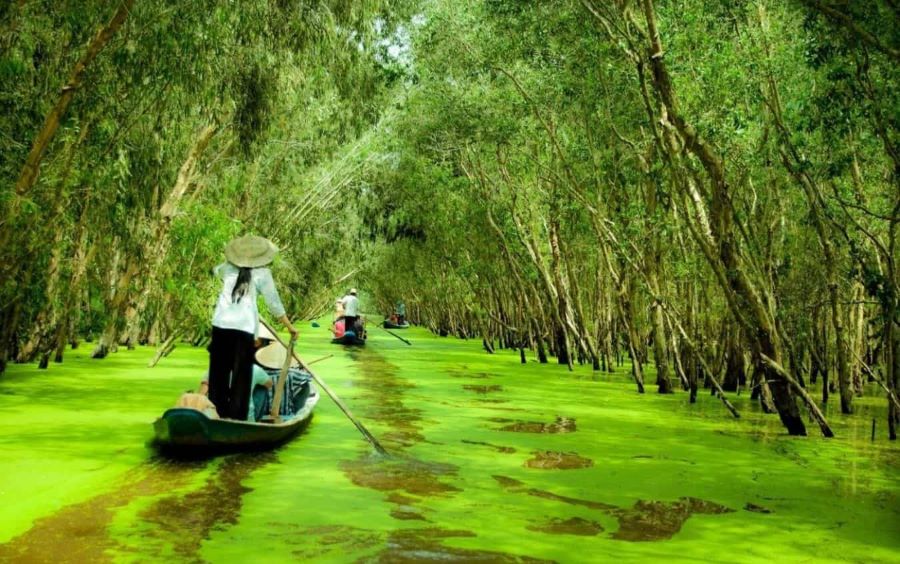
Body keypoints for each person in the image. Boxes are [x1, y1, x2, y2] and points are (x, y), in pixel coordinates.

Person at [208, 235, 298, 420]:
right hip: (244, 328)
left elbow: (214, 270)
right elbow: (274, 303)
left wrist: (228, 263)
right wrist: (289, 327)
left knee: (218, 374)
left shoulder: (227, 268)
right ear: (260, 257)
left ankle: (216, 414)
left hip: (220, 324)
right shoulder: (263, 274)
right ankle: (236, 419)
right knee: (242, 377)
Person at [252, 343, 312, 420]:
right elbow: (307, 377)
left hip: (262, 414)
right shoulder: (292, 373)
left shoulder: (260, 372)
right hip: (286, 414)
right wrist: (302, 369)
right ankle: (298, 412)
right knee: (305, 385)